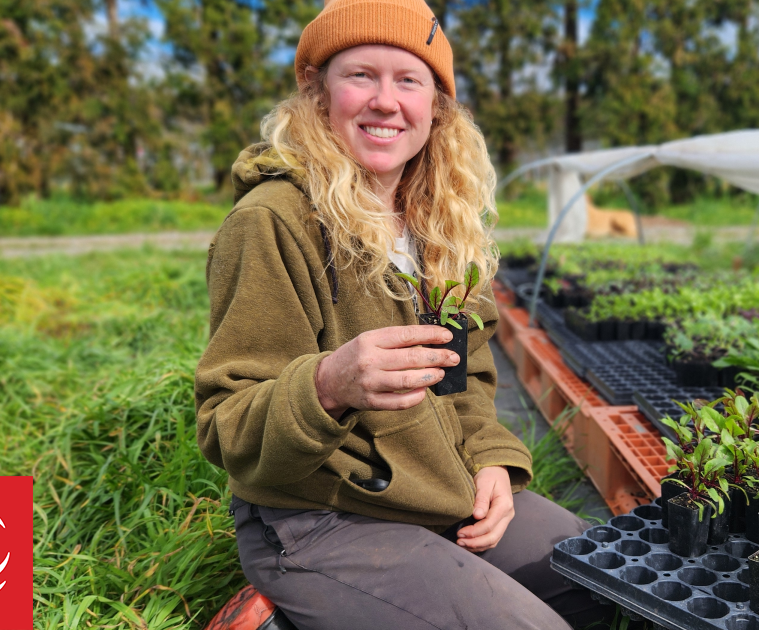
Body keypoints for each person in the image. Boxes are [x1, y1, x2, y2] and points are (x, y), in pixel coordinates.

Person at [194, 1, 616, 628]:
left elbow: (471, 378)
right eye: (361, 75)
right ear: (317, 90)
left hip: (437, 493)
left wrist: (493, 460)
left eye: (409, 80)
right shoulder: (274, 221)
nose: (386, 101)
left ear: (437, 106)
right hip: (321, 519)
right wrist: (327, 385)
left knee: (608, 579)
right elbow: (224, 427)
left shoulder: (440, 223)